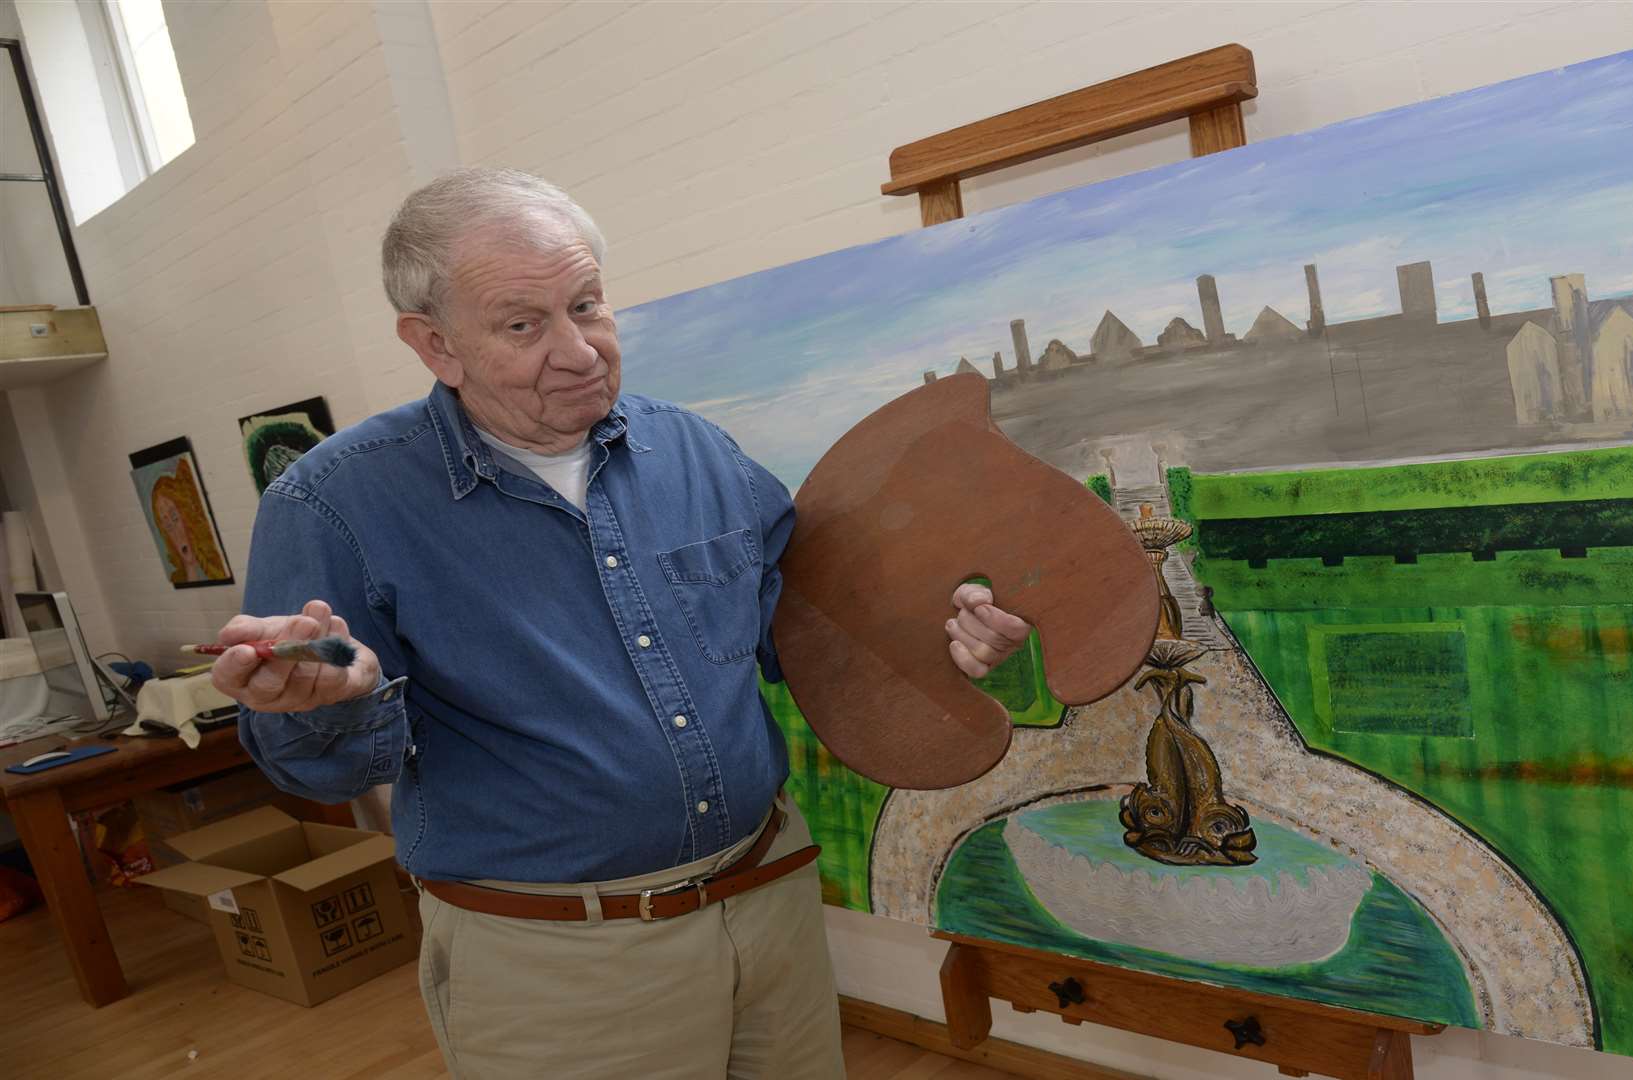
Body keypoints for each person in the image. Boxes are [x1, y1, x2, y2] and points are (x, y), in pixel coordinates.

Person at [215, 168, 1032, 1079]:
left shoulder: (696, 451)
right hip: (560, 960)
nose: (579, 351)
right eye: (524, 324)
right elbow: (330, 767)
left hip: (769, 904)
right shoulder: (335, 504)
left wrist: (942, 634)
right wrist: (322, 702)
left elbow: (803, 636)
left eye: (588, 305)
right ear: (434, 344)